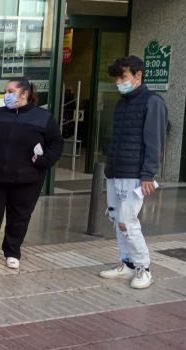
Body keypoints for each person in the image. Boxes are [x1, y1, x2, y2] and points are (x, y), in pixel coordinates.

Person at [0, 77, 63, 270]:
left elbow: (56, 144)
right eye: (6, 91)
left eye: (10, 91)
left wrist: (44, 162)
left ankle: (12, 252)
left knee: (19, 217)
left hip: (27, 179)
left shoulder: (43, 117)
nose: (6, 95)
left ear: (24, 93)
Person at [98, 56, 167, 289]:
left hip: (135, 174)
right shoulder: (123, 103)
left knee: (128, 220)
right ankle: (127, 263)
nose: (119, 82)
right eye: (117, 77)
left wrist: (148, 174)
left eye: (123, 76)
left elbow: (154, 141)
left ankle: (143, 268)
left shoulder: (152, 102)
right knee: (117, 219)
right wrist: (109, 169)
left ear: (138, 76)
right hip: (117, 171)